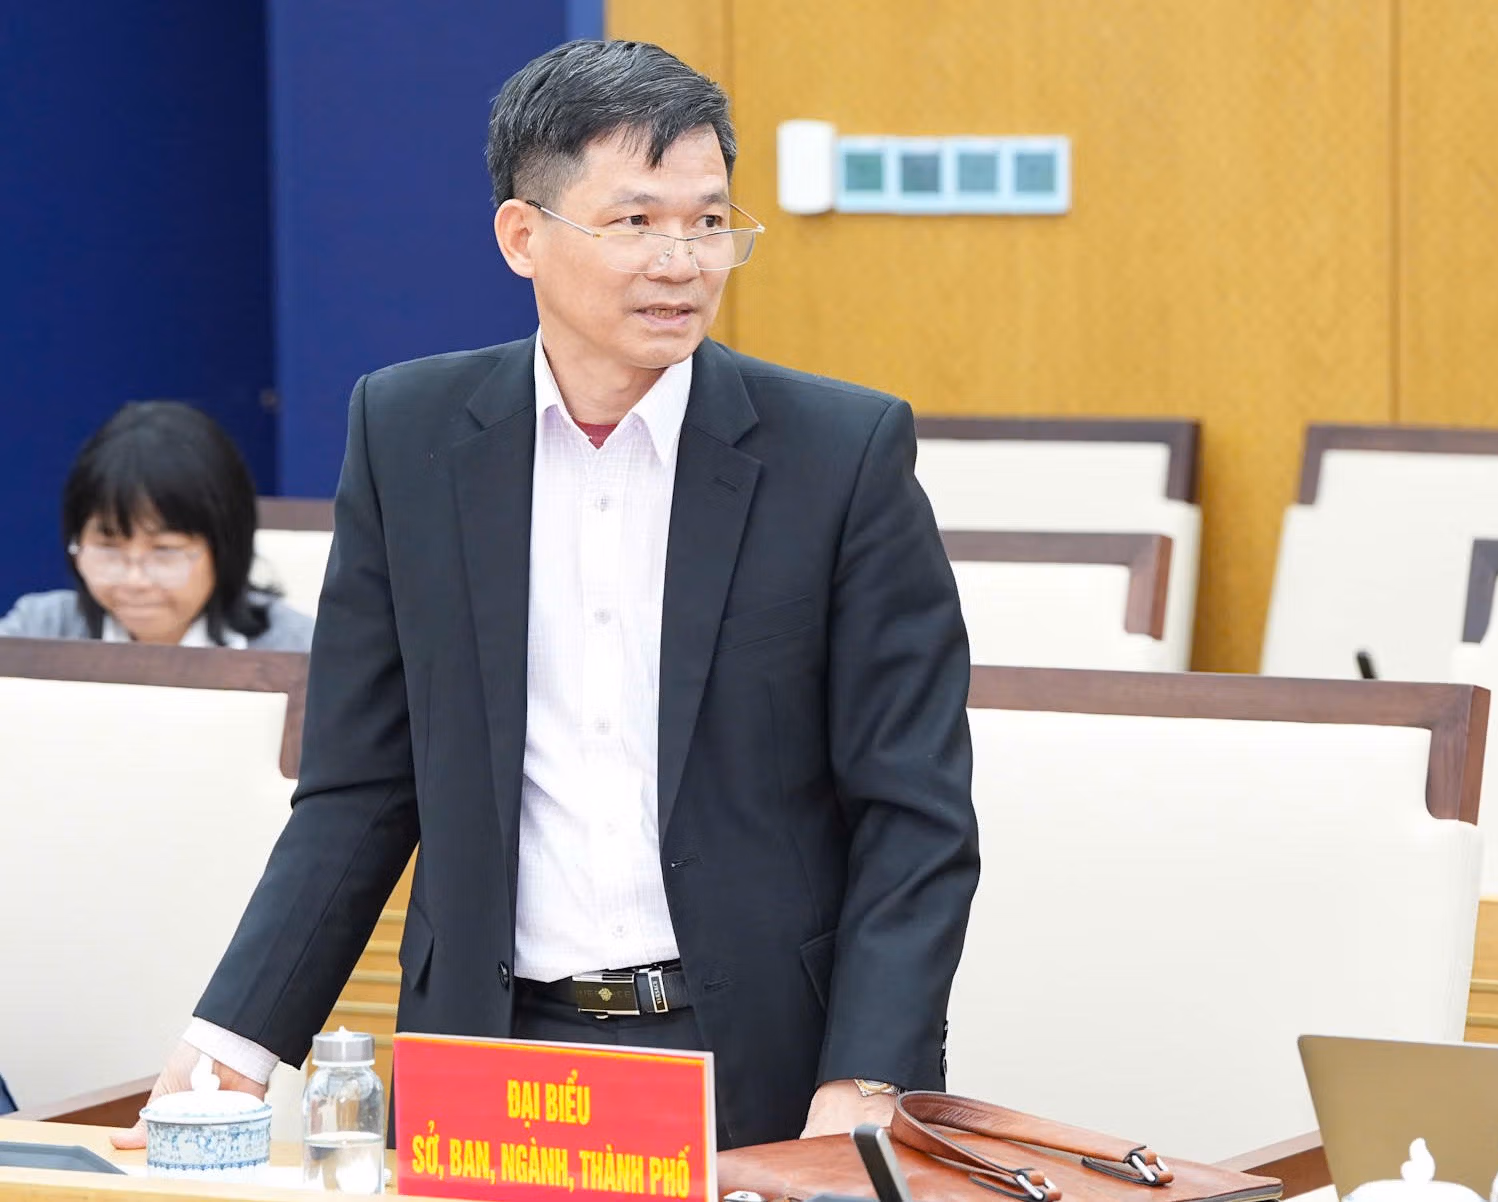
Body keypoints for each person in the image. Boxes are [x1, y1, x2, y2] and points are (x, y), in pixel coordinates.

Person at [118, 39, 976, 1150]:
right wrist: (230, 1047)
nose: (681, 261)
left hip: (759, 1063)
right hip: (490, 1054)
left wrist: (865, 1077)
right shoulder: (409, 436)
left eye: (709, 221)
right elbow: (360, 787)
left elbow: (913, 811)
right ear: (522, 235)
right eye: (636, 221)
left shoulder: (839, 454)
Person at [0, 401, 313, 651]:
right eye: (108, 550)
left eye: (165, 551)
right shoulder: (39, 630)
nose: (134, 581)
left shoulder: (296, 649)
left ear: (226, 549)